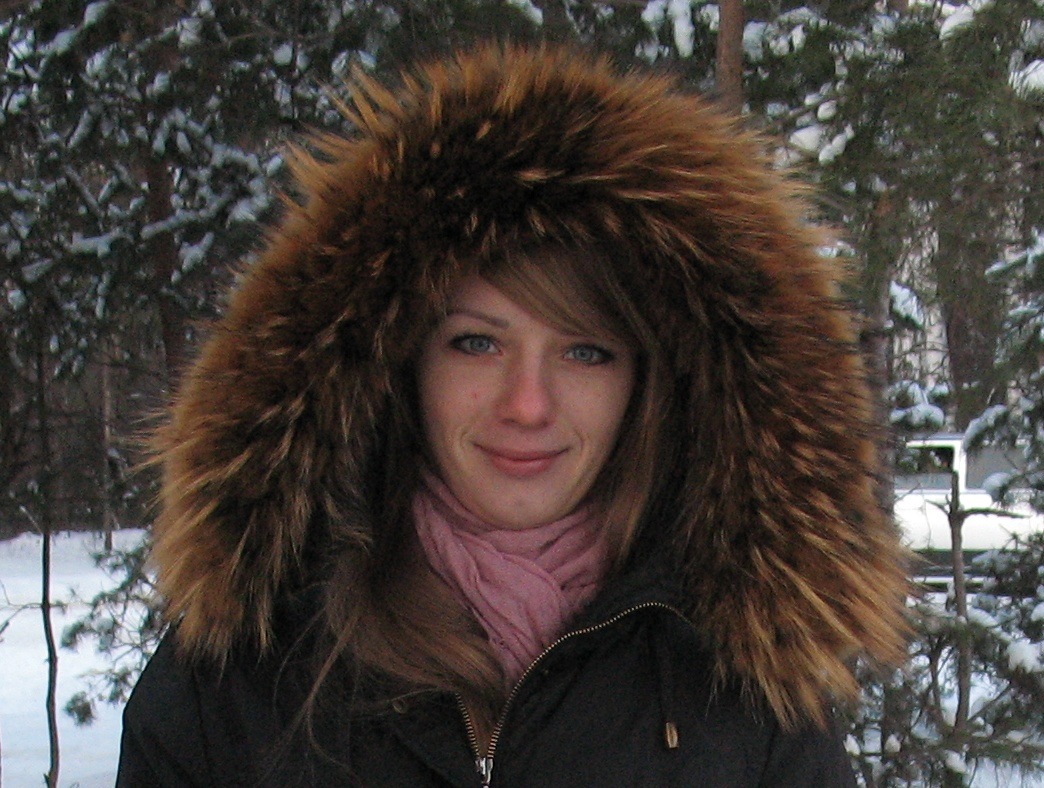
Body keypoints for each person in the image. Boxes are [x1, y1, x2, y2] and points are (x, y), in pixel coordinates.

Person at [117, 45, 908, 787]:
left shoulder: (744, 677)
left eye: (586, 352)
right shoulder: (245, 665)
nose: (527, 405)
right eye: (476, 343)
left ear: (646, 384)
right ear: (402, 361)